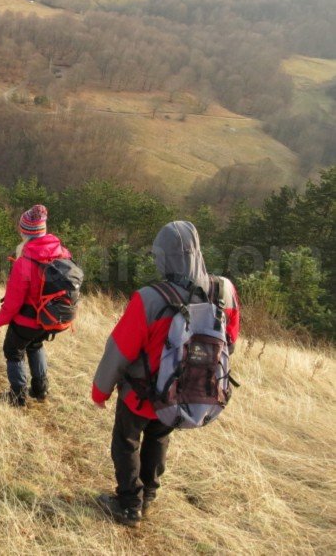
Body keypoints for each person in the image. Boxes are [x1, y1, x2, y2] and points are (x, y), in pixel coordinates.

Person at [91, 221, 241, 527]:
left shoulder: (150, 298)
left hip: (140, 394)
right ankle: (148, 495)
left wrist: (100, 390)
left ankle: (129, 504)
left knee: (127, 441)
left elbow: (120, 350)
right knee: (159, 438)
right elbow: (230, 342)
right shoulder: (223, 290)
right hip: (181, 393)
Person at [0, 205, 76, 406]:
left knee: (13, 351)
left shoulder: (24, 262)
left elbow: (13, 301)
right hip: (50, 318)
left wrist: (0, 320)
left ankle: (18, 396)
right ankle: (41, 389)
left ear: (24, 231)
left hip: (27, 320)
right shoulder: (63, 253)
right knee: (35, 344)